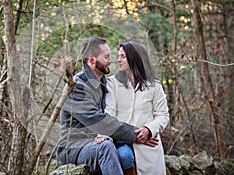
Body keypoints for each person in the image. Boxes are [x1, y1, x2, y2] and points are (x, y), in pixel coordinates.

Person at [56, 37, 139, 175]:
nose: (111, 61)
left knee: (126, 151)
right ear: (92, 60)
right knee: (106, 147)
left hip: (100, 140)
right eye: (106, 57)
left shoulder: (107, 83)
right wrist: (135, 133)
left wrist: (145, 131)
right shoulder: (77, 86)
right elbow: (98, 120)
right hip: (73, 147)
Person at [105, 42, 170, 175]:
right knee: (124, 156)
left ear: (134, 57)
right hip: (121, 140)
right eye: (119, 56)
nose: (118, 60)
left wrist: (149, 130)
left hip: (148, 144)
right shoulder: (112, 83)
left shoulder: (154, 85)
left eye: (123, 56)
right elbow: (109, 113)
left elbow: (163, 115)